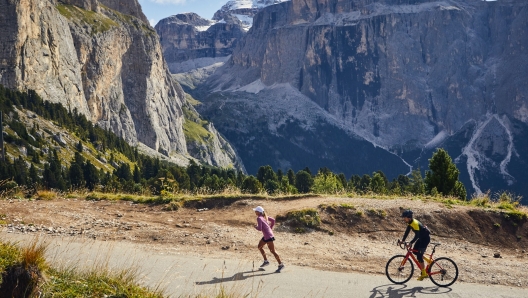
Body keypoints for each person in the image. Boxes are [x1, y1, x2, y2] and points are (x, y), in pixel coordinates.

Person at [398, 209, 431, 281]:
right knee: (415, 252)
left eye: (404, 217)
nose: (403, 219)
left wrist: (410, 243)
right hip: (421, 238)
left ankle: (424, 273)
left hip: (425, 239)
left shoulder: (415, 223)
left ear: (409, 217)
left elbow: (417, 236)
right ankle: (429, 260)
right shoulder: (409, 222)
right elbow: (407, 232)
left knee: (419, 256)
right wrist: (402, 241)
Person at [253, 206, 284, 272]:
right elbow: (273, 220)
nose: (255, 212)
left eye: (255, 211)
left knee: (273, 251)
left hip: (268, 237)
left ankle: (281, 265)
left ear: (258, 212)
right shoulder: (264, 216)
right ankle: (266, 261)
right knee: (259, 247)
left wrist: (255, 226)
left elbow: (260, 228)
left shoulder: (259, 218)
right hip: (267, 236)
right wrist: (270, 228)